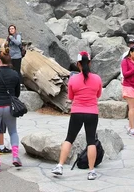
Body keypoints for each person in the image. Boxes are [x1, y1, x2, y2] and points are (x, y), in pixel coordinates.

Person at [51, 51, 102, 180]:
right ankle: (91, 171)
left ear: (78, 64)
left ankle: (60, 166)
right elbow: (98, 95)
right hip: (92, 112)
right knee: (91, 141)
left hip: (77, 112)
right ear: (89, 63)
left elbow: (70, 97)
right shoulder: (97, 79)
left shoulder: (73, 79)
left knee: (69, 138)